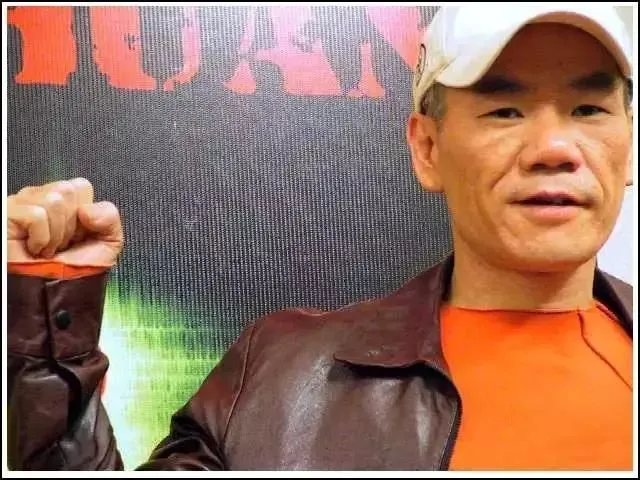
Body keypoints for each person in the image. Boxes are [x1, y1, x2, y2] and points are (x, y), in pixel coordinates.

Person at [7, 5, 634, 471]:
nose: (555, 148)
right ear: (427, 148)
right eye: (505, 110)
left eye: (589, 109)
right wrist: (46, 311)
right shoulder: (279, 372)